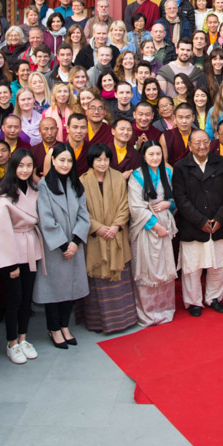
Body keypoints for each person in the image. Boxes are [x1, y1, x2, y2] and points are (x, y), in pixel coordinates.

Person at [34, 143, 91, 349]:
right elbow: (46, 219)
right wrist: (63, 245)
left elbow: (84, 216)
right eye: (61, 160)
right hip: (55, 247)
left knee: (71, 288)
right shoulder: (44, 186)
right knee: (54, 290)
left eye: (69, 161)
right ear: (53, 161)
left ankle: (65, 326)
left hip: (74, 245)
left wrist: (75, 242)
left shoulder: (76, 185)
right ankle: (54, 328)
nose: (65, 164)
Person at [174, 130, 223, 315]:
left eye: (205, 142)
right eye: (197, 143)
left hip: (219, 223)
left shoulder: (221, 163)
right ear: (189, 145)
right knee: (192, 267)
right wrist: (200, 221)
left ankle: (214, 298)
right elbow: (181, 198)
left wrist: (219, 218)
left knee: (217, 265)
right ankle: (193, 302)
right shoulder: (181, 167)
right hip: (193, 225)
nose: (202, 147)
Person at [0, 149, 42, 365]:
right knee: (14, 298)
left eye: (29, 166)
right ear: (13, 166)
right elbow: (2, 232)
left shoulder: (33, 188)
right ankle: (11, 342)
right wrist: (10, 264)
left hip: (31, 246)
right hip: (12, 250)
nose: (25, 170)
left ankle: (23, 338)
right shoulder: (2, 195)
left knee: (26, 297)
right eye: (20, 165)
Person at [80, 143, 135, 334]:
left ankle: (124, 319)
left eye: (106, 159)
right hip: (96, 237)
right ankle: (99, 322)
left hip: (117, 233)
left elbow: (125, 204)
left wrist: (115, 226)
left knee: (120, 280)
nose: (102, 163)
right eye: (98, 159)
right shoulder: (82, 181)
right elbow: (81, 211)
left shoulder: (119, 178)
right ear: (91, 161)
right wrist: (98, 228)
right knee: (98, 281)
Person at [128, 143, 179, 325]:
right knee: (147, 269)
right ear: (144, 156)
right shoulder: (137, 176)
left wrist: (168, 204)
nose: (155, 158)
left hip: (165, 223)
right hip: (146, 226)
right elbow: (135, 207)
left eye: (158, 154)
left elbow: (174, 199)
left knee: (164, 267)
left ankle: (164, 310)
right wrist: (155, 226)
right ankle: (148, 312)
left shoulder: (167, 173)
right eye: (151, 154)